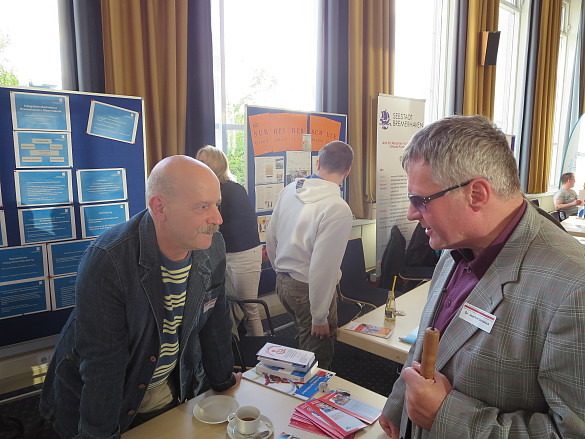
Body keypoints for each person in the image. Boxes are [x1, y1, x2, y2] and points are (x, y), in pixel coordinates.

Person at [379, 115, 585, 439]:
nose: (411, 213)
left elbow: (571, 432)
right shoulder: (455, 246)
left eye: (420, 200)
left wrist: (447, 416)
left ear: (476, 194)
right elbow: (429, 341)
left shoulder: (573, 288)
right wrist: (399, 402)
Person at [40, 155, 241, 439]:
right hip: (105, 404)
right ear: (159, 207)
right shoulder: (109, 260)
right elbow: (103, 367)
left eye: (216, 204)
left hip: (172, 391)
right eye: (202, 207)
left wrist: (223, 382)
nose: (217, 219)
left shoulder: (213, 246)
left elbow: (217, 323)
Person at [266, 140, 354, 371]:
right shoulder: (337, 208)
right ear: (348, 171)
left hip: (283, 283)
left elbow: (271, 236)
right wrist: (319, 316)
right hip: (308, 288)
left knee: (304, 343)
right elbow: (323, 268)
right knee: (316, 360)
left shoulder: (290, 189)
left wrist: (278, 270)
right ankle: (305, 404)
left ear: (318, 163)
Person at [196, 145, 264, 335]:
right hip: (222, 255)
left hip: (244, 254)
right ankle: (237, 351)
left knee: (249, 308)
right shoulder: (206, 192)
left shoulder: (233, 189)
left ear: (216, 164)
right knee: (226, 307)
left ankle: (257, 356)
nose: (198, 165)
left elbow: (244, 226)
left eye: (203, 161)